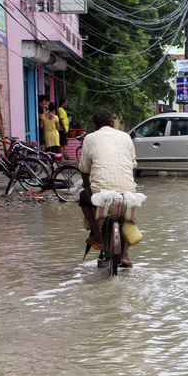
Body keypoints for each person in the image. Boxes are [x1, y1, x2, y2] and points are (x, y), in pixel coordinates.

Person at [78, 109, 139, 268]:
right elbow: (133, 165)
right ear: (112, 123)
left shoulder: (90, 138)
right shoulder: (125, 137)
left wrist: (87, 185)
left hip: (100, 190)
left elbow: (84, 168)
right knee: (128, 214)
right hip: (127, 189)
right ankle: (125, 255)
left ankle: (98, 237)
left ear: (95, 125)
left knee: (83, 200)